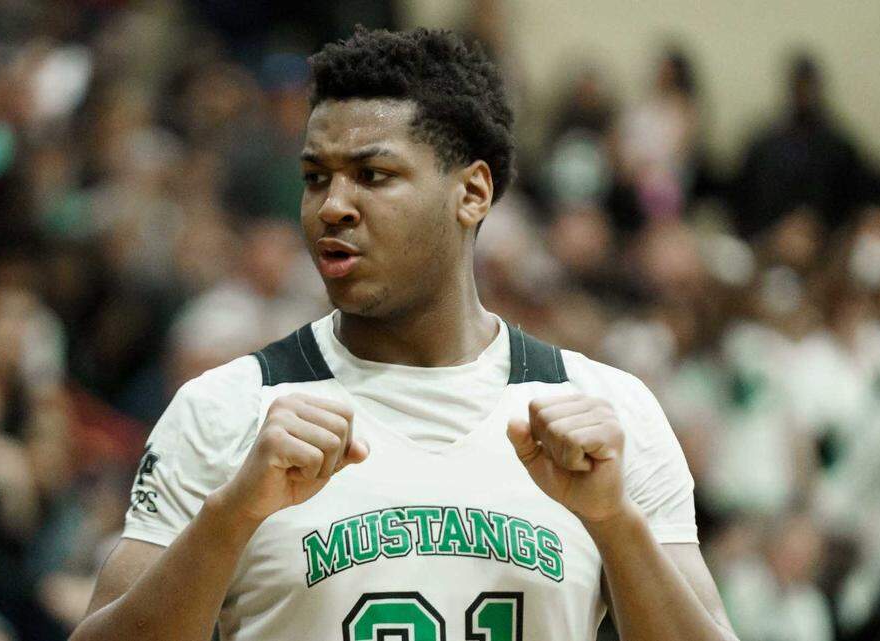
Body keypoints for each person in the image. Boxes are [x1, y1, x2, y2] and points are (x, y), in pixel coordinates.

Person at [70, 27, 738, 641]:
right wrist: (228, 517)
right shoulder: (225, 410)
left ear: (472, 193)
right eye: (315, 178)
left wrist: (617, 524)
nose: (332, 206)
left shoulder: (607, 412)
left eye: (373, 175)